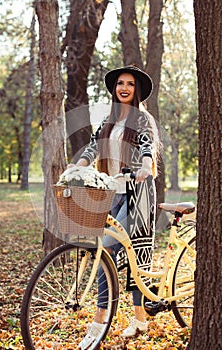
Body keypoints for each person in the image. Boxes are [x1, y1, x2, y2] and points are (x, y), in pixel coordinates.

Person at [67, 65, 160, 348]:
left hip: (138, 192)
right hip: (114, 193)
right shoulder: (108, 120)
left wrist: (146, 165)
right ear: (114, 89)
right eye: (120, 83)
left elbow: (147, 146)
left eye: (130, 84)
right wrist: (78, 165)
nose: (124, 87)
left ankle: (98, 323)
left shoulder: (142, 119)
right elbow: (94, 148)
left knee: (109, 251)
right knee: (128, 258)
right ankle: (140, 319)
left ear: (136, 90)